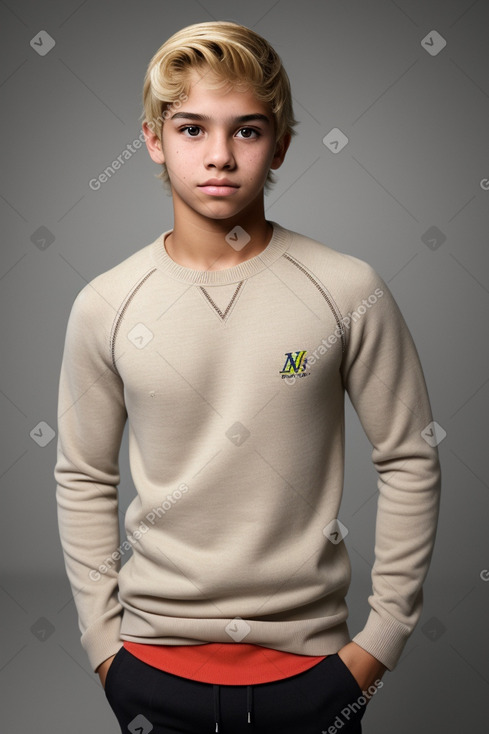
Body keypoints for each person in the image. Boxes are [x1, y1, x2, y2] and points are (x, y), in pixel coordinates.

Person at [54, 20, 441, 734]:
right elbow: (83, 474)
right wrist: (104, 648)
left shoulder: (345, 287)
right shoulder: (106, 304)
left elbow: (410, 458)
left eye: (248, 131)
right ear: (152, 141)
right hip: (151, 670)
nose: (220, 157)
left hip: (314, 678)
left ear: (282, 145)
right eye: (192, 129)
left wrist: (379, 644)